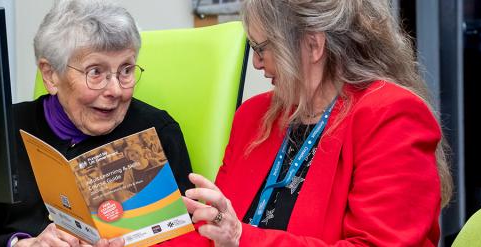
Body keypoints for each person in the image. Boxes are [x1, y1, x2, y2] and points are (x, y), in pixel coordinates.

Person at [162, 0, 453, 246]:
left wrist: (241, 236)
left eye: (262, 48)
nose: (257, 63)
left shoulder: (391, 116)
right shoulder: (254, 116)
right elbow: (212, 232)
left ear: (313, 45)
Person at [0, 1, 194, 246]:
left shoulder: (156, 132)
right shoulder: (7, 130)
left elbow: (187, 238)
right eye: (95, 72)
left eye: (126, 70)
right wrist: (22, 245)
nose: (116, 90)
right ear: (51, 75)